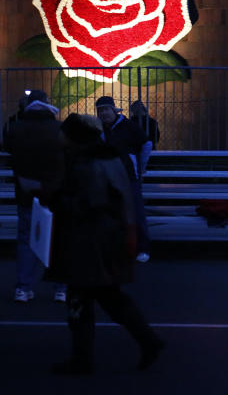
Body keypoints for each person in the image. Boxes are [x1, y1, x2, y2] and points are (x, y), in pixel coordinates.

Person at [47, 113, 164, 374]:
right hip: (109, 240)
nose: (59, 137)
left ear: (74, 137)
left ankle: (83, 358)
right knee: (109, 297)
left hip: (88, 243)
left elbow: (89, 204)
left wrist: (53, 200)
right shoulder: (109, 157)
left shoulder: (86, 164)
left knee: (81, 300)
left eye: (63, 133)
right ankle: (147, 341)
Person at [2, 90, 67, 303]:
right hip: (55, 192)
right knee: (58, 241)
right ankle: (61, 288)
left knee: (26, 240)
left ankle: (23, 287)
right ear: (48, 106)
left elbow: (8, 148)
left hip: (26, 192)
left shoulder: (16, 129)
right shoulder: (59, 130)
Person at [95, 96, 152, 262]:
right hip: (107, 178)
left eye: (106, 109)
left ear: (113, 110)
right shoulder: (100, 129)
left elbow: (146, 144)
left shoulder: (129, 127)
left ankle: (142, 248)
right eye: (101, 110)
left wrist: (141, 167)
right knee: (113, 213)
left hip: (128, 176)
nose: (104, 113)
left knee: (135, 212)